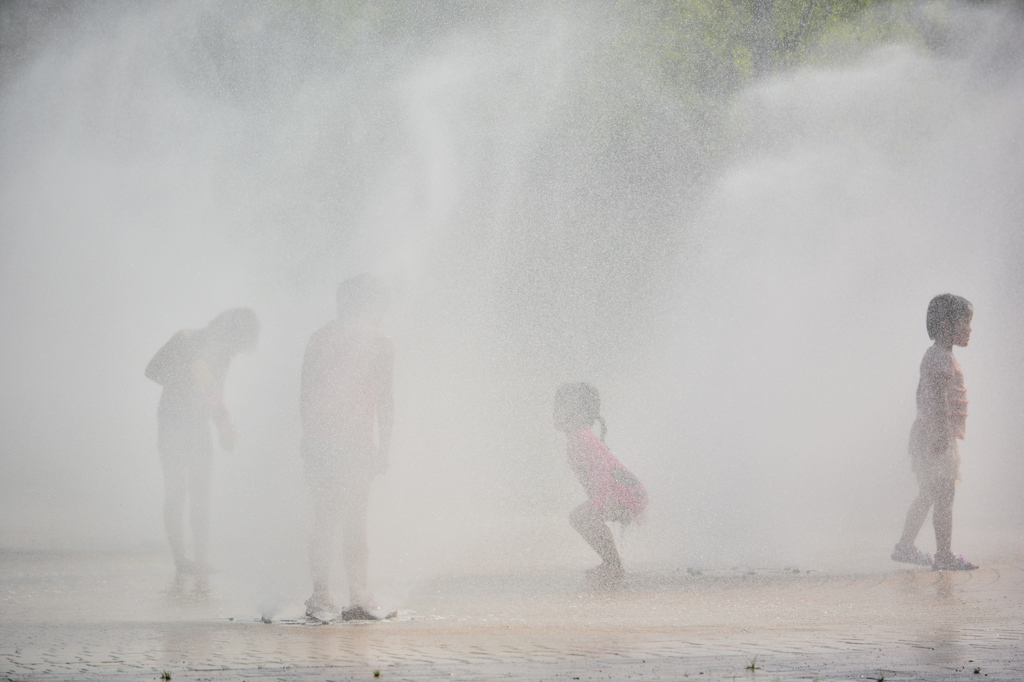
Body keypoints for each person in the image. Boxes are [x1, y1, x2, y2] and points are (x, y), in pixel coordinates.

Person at [301, 274, 394, 621]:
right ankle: (357, 596)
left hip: (318, 441)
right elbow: (386, 401)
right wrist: (383, 447)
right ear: (370, 303)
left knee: (323, 519)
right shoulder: (380, 341)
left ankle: (321, 596)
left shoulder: (318, 338)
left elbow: (305, 393)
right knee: (355, 520)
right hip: (356, 443)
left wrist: (307, 438)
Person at [145, 307, 260, 575]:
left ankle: (200, 558)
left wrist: (223, 429)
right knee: (176, 492)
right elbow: (151, 370)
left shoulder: (222, 353)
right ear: (229, 330)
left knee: (201, 494)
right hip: (172, 421)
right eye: (238, 344)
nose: (235, 351)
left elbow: (214, 393)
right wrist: (183, 377)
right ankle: (180, 559)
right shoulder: (184, 339)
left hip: (198, 425)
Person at [892, 294, 977, 571]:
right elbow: (939, 398)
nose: (969, 329)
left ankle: (905, 546)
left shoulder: (935, 355)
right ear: (944, 324)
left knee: (928, 494)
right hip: (937, 436)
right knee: (944, 497)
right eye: (965, 322)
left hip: (926, 433)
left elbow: (920, 393)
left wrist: (928, 428)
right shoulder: (943, 359)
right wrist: (941, 436)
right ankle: (944, 555)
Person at [554, 382, 647, 584]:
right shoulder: (578, 438)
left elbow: (601, 469)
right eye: (555, 406)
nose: (555, 412)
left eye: (562, 407)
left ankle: (613, 565)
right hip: (628, 493)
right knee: (583, 517)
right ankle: (612, 564)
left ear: (580, 414)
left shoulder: (581, 438)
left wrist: (598, 503)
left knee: (581, 517)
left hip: (626, 495)